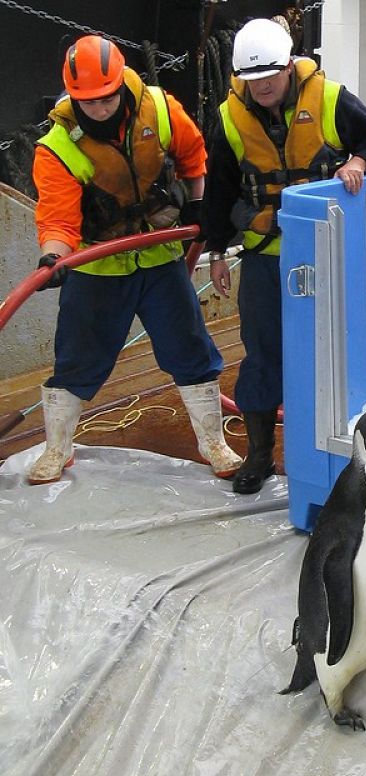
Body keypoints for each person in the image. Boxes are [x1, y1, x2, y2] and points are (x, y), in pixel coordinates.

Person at [29, 35, 242, 485]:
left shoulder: (161, 110)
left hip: (162, 255)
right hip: (97, 266)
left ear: (121, 85)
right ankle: (57, 448)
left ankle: (212, 442)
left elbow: (193, 156)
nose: (100, 108)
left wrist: (200, 205)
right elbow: (59, 221)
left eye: (107, 98)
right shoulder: (57, 147)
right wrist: (53, 256)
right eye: (89, 101)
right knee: (78, 358)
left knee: (190, 348)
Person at [202, 18, 366, 495]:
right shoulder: (230, 119)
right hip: (266, 258)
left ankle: (340, 457)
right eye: (253, 78)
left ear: (290, 65)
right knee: (261, 354)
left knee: (337, 353)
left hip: (328, 252)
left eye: (271, 73)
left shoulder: (331, 99)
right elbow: (220, 189)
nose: (264, 85)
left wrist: (359, 161)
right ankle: (258, 455)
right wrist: (214, 250)